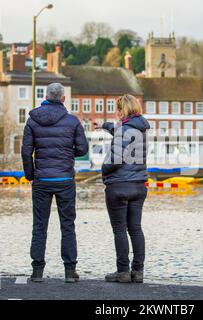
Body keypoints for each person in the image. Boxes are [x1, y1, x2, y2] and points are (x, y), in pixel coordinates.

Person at [21, 83, 89, 283]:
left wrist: (30, 175)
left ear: (46, 96)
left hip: (41, 180)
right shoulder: (72, 121)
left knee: (39, 225)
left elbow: (26, 151)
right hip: (65, 179)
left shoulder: (32, 121)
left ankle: (37, 272)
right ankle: (69, 272)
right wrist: (69, 153)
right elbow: (83, 148)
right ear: (63, 99)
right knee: (67, 225)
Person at [96, 94, 150, 283]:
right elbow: (122, 133)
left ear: (122, 110)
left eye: (117, 110)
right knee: (135, 229)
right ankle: (138, 271)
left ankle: (123, 272)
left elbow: (115, 159)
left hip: (119, 186)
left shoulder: (124, 129)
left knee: (119, 229)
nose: (116, 113)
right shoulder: (141, 128)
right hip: (139, 185)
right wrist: (105, 125)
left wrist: (104, 169)